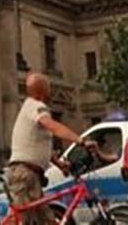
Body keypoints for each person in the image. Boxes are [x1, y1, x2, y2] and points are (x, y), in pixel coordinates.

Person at [6, 72, 98, 225]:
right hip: (24, 175)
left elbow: (38, 145)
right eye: (48, 86)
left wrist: (60, 164)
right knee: (22, 220)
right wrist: (80, 140)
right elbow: (53, 126)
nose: (51, 90)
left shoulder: (29, 108)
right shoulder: (37, 107)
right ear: (42, 90)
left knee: (47, 221)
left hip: (29, 175)